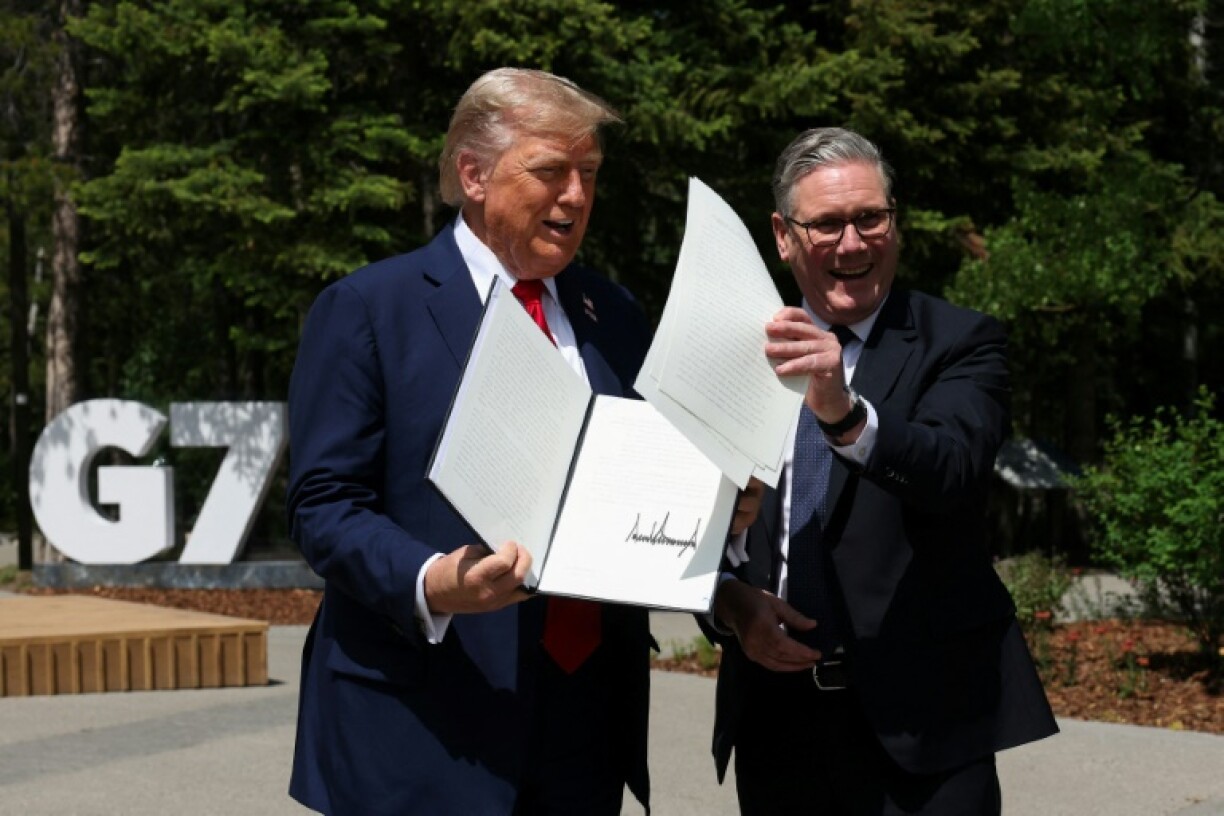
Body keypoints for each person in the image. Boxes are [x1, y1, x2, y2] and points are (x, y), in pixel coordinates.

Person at [286, 68, 764, 815]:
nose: (576, 196)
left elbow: (637, 482)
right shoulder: (368, 310)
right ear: (473, 175)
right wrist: (431, 581)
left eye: (590, 174)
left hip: (584, 729)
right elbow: (323, 507)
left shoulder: (615, 312)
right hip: (422, 728)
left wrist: (716, 513)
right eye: (550, 171)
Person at [704, 127, 1058, 815]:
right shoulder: (735, 352)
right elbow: (688, 522)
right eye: (828, 223)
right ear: (783, 235)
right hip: (777, 729)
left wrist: (844, 412)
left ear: (895, 221)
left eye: (871, 218)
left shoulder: (958, 340)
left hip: (925, 736)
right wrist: (730, 603)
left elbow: (951, 468)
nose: (853, 242)